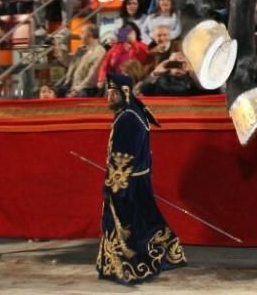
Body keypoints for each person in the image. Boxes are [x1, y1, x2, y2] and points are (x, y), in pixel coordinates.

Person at [96, 70, 186, 283]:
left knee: (127, 225)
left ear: (124, 93)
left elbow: (122, 158)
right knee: (146, 220)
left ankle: (131, 267)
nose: (108, 98)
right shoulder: (133, 111)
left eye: (113, 93)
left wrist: (114, 188)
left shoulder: (128, 118)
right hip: (138, 180)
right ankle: (164, 254)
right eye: (108, 93)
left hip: (128, 183)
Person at [55, 25, 108, 97]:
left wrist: (77, 89)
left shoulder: (99, 52)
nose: (80, 36)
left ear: (89, 35)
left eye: (82, 33)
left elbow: (92, 78)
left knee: (81, 94)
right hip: (72, 85)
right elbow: (68, 62)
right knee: (58, 91)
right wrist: (59, 46)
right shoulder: (81, 49)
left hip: (87, 89)